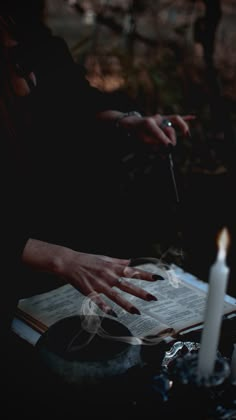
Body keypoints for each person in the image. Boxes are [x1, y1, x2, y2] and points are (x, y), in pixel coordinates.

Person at [0, 0, 195, 343]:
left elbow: (76, 106)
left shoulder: (33, 38)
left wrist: (129, 123)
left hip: (71, 244)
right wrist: (61, 259)